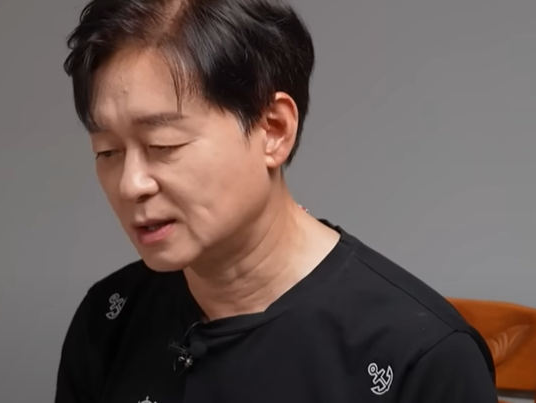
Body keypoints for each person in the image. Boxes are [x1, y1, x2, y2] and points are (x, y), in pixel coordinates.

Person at [55, 0, 498, 402]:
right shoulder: (110, 316)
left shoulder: (421, 354)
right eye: (106, 151)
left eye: (163, 145)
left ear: (274, 130)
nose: (130, 185)